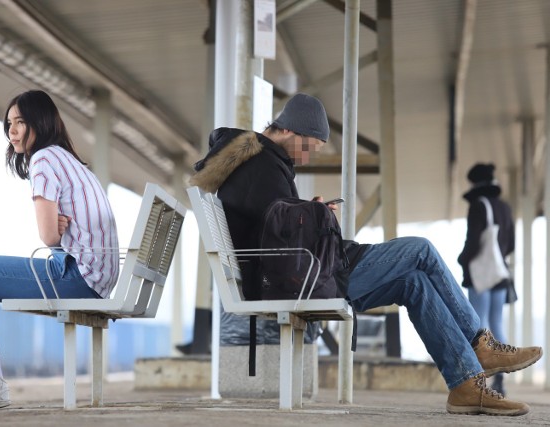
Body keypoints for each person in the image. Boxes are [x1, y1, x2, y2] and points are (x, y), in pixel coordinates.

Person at [190, 93, 543, 416]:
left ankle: (466, 385)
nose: (309, 155)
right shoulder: (260, 165)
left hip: (310, 271)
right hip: (307, 279)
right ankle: (480, 345)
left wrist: (311, 212)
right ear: (291, 131)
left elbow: (274, 222)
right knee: (420, 248)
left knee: (414, 282)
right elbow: (277, 237)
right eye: (309, 147)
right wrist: (320, 215)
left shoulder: (261, 163)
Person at [0, 90, 119, 412]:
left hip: (76, 277)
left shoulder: (44, 158)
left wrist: (55, 231)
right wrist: (57, 231)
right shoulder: (70, 159)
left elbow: (47, 236)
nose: (12, 131)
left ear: (41, 122)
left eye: (20, 122)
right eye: (8, 123)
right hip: (96, 276)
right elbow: (58, 232)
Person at [458, 163, 516, 395]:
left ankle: (476, 377)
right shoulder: (504, 207)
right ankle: (500, 376)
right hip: (500, 274)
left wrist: (462, 259)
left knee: (478, 323)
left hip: (480, 273)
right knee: (497, 322)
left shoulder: (477, 206)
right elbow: (510, 244)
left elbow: (472, 243)